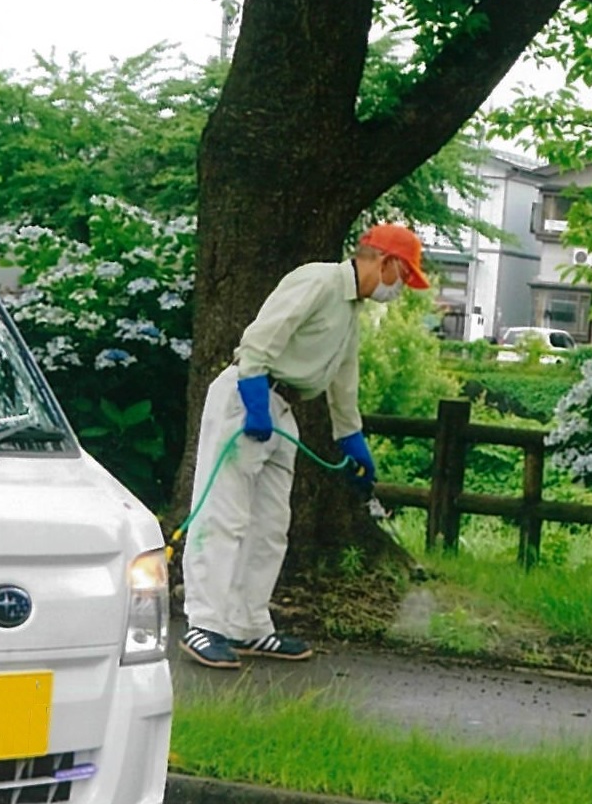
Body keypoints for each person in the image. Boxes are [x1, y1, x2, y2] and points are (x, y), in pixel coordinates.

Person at [179, 224, 429, 670]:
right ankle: (205, 624)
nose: (400, 289)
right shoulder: (318, 281)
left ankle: (248, 625)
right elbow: (262, 337)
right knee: (225, 514)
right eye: (403, 277)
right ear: (385, 262)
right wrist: (255, 398)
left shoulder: (350, 310)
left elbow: (343, 380)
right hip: (247, 399)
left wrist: (351, 439)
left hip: (284, 410)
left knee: (271, 524)